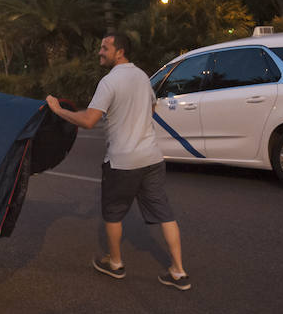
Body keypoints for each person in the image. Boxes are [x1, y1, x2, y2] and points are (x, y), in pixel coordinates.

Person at [46, 34, 191, 290]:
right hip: (152, 158)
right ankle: (178, 271)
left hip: (122, 162)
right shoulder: (143, 78)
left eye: (105, 48)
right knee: (164, 213)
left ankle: (115, 263)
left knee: (113, 214)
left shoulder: (109, 82)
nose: (100, 51)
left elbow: (89, 120)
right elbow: (152, 109)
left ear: (119, 52)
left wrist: (59, 111)